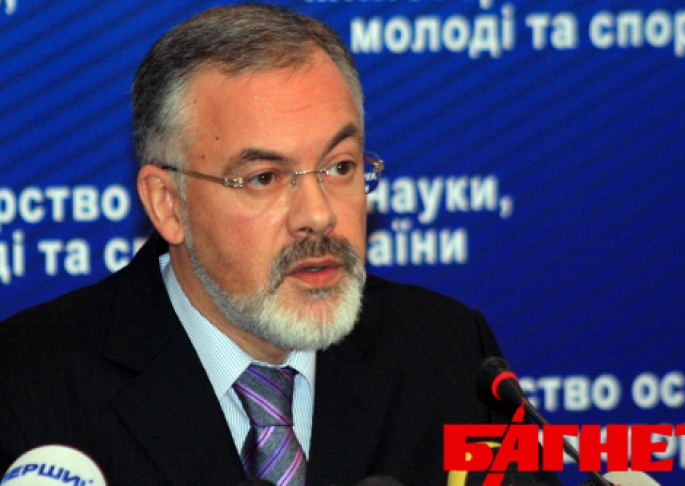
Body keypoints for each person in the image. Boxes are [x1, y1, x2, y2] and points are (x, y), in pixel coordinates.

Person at [0, 4, 554, 485]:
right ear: (168, 204)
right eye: (264, 178)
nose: (318, 215)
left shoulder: (449, 354)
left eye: (340, 167)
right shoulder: (27, 386)